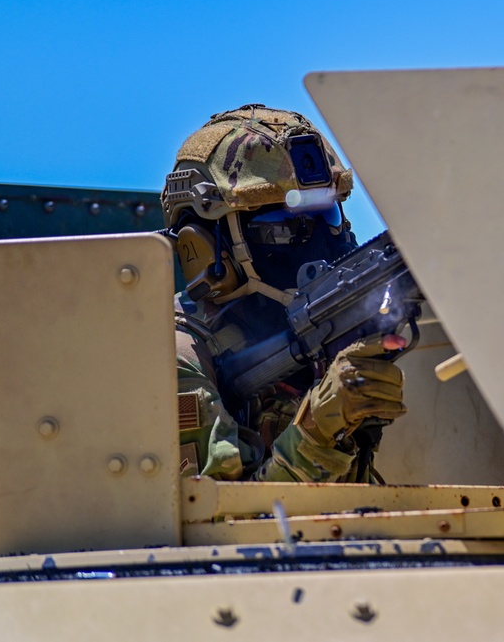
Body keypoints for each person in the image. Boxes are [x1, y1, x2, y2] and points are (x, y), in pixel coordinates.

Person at [160, 104, 407, 483]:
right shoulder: (172, 357)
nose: (323, 242)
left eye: (328, 217)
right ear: (205, 248)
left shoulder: (320, 332)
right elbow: (225, 523)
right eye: (285, 226)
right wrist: (317, 433)